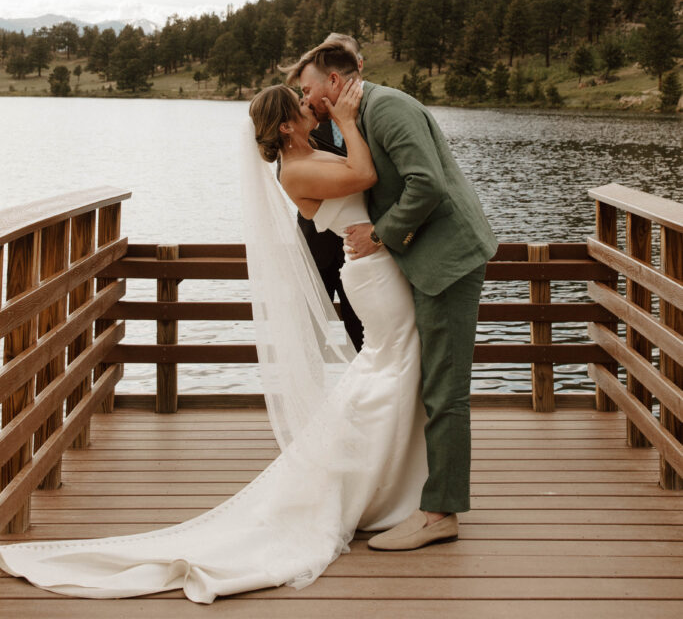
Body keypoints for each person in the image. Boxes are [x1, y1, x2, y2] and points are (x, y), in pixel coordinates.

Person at [0, 79, 430, 602]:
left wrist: (343, 121)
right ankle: (373, 487)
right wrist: (344, 118)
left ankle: (387, 481)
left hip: (374, 270)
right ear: (288, 126)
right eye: (301, 105)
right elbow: (364, 173)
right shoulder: (295, 170)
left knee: (389, 370)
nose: (310, 105)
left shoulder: (308, 153)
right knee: (390, 369)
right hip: (373, 278)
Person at [289, 40, 498, 551]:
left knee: (445, 390)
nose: (307, 98)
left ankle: (439, 515)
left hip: (446, 262)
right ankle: (406, 496)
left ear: (335, 83)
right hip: (419, 262)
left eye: (309, 89)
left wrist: (380, 235)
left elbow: (426, 185)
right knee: (424, 382)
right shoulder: (353, 117)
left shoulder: (389, 107)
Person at [288, 32, 364, 350]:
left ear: (357, 65)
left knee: (364, 337)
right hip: (315, 244)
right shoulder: (306, 113)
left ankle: (366, 400)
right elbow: (288, 165)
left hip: (361, 249)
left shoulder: (371, 110)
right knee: (309, 341)